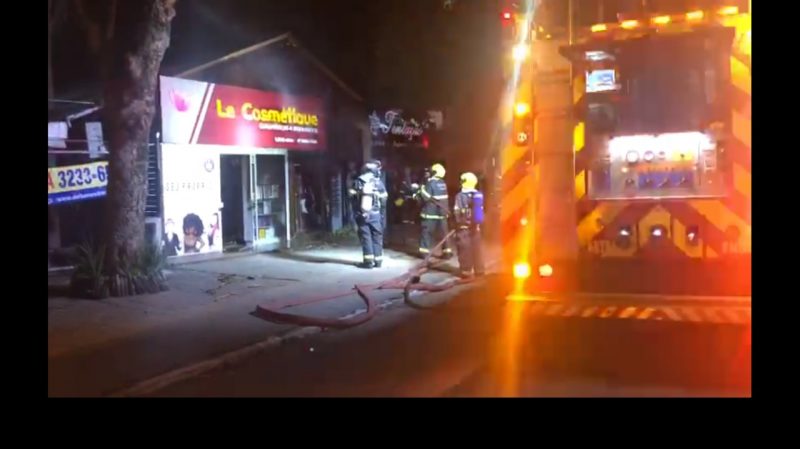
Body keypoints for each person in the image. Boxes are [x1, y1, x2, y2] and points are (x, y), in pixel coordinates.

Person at [353, 159, 388, 268]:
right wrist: (381, 212)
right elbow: (384, 199)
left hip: (363, 214)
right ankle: (378, 261)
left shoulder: (359, 181)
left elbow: (354, 197)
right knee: (377, 236)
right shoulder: (379, 182)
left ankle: (368, 262)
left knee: (366, 236)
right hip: (376, 214)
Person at [415, 163, 452, 258]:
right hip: (442, 213)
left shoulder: (430, 183)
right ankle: (447, 252)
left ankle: (424, 252)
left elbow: (426, 197)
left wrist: (420, 189)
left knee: (427, 233)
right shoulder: (443, 183)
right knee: (444, 233)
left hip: (431, 213)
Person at [453, 172, 485, 278]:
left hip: (464, 228)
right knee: (477, 249)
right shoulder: (478, 195)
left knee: (464, 249)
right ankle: (479, 270)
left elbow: (457, 212)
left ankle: (466, 271)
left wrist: (457, 223)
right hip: (476, 228)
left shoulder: (460, 196)